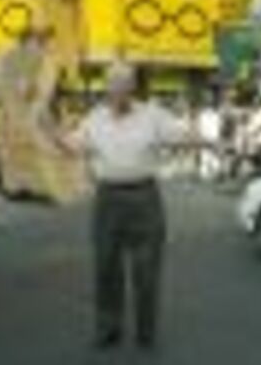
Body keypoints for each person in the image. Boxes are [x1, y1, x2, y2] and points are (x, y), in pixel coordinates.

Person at [48, 62, 203, 351]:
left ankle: (146, 333)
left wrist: (196, 135)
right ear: (106, 87)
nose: (118, 88)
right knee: (106, 267)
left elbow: (184, 137)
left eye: (124, 82)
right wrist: (48, 129)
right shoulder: (94, 119)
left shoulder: (153, 115)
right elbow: (72, 147)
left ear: (133, 86)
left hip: (145, 198)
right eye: (113, 82)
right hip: (107, 199)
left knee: (147, 270)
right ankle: (108, 329)